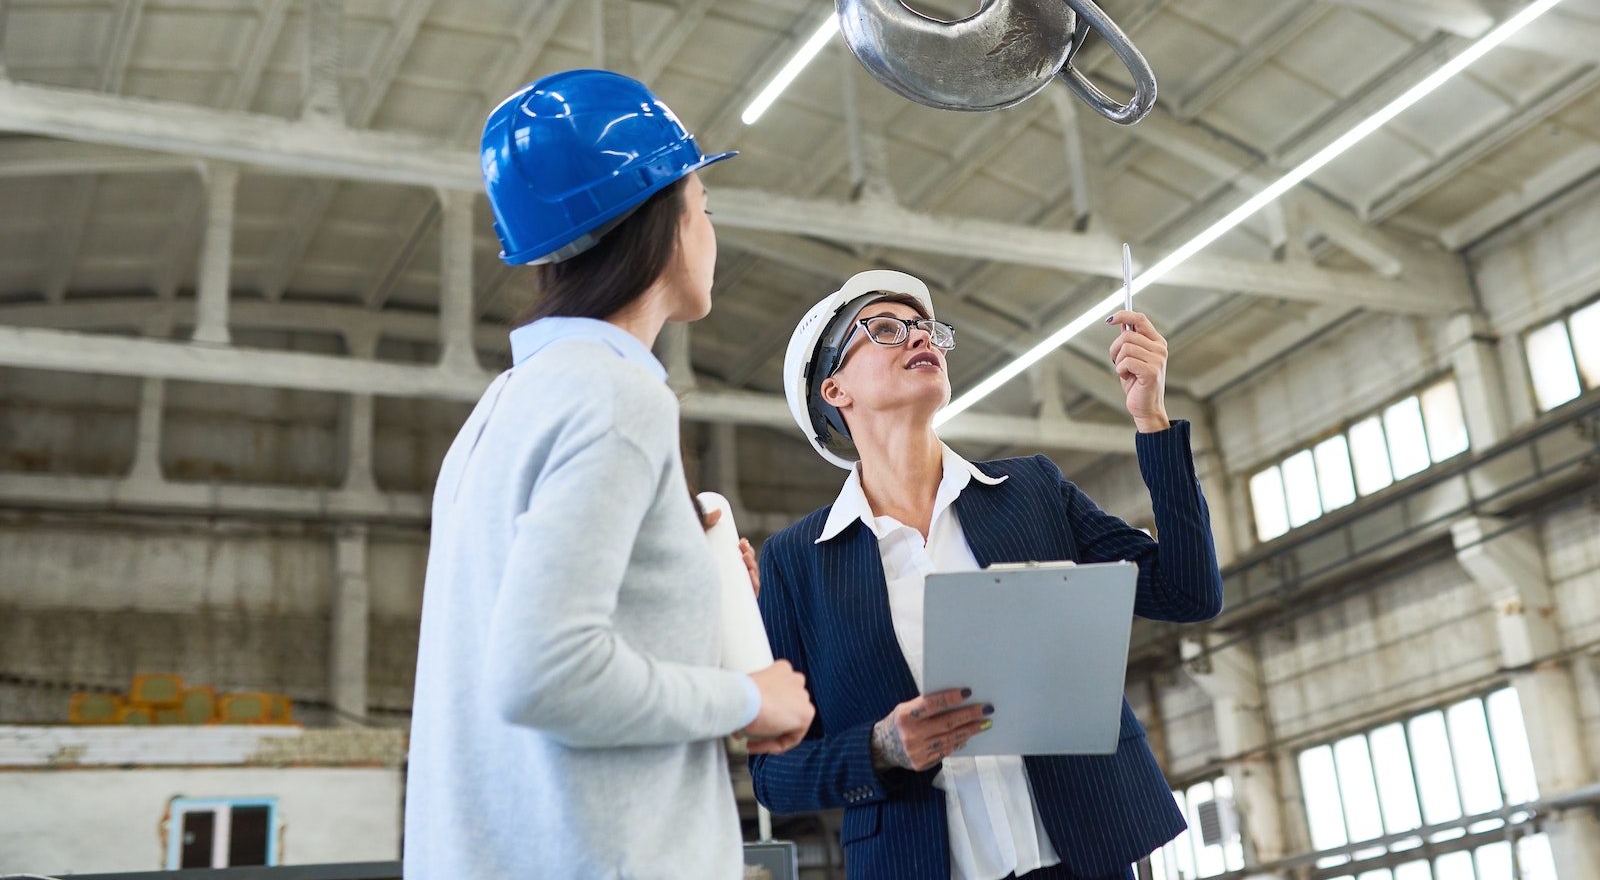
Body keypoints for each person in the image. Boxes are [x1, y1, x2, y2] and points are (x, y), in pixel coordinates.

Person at [405, 69, 815, 880]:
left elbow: (542, 649)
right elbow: (545, 675)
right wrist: (750, 698)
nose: (710, 235)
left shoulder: (501, 410)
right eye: (705, 207)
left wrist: (692, 601)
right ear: (662, 221)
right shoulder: (616, 394)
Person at [750, 270, 1223, 880]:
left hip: (1083, 858)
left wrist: (1152, 419)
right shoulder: (796, 562)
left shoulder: (1031, 492)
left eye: (927, 330)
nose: (920, 339)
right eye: (888, 330)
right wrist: (881, 748)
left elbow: (1188, 592)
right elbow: (774, 776)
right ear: (835, 389)